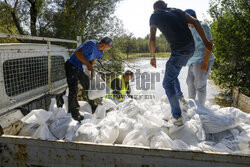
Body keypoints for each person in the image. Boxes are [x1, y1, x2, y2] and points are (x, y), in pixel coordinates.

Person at [149, 1, 213, 126]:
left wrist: (152, 56)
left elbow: (152, 38)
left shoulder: (154, 15)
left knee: (167, 83)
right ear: (166, 6)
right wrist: (206, 42)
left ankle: (177, 116)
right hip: (190, 49)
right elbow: (195, 21)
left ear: (155, 9)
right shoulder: (177, 10)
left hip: (180, 51)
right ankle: (181, 97)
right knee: (172, 76)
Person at [65, 37, 113, 122]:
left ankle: (93, 106)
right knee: (73, 89)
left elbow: (93, 61)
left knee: (88, 86)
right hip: (71, 65)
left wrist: (90, 68)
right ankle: (74, 113)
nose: (108, 48)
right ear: (105, 44)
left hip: (80, 68)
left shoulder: (100, 52)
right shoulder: (91, 44)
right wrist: (87, 64)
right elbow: (78, 53)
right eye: (109, 46)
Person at [185, 9, 215, 107]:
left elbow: (210, 45)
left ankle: (201, 109)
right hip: (192, 60)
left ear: (191, 18)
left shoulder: (203, 26)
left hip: (202, 59)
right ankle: (192, 105)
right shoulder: (189, 28)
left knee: (200, 85)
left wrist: (205, 63)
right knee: (189, 82)